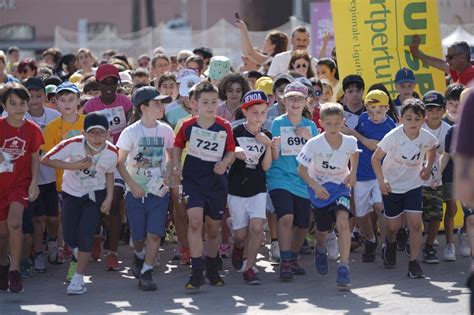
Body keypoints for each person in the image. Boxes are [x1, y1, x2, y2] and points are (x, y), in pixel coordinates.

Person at [41, 112, 116, 295]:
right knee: (69, 237)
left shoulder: (111, 151)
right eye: (92, 133)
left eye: (101, 133)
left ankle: (78, 278)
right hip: (71, 193)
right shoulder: (72, 144)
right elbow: (45, 158)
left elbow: (109, 173)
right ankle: (78, 253)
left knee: (85, 236)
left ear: (108, 133)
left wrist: (109, 197)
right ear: (83, 133)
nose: (97, 137)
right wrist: (74, 166)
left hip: (94, 194)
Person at [173, 81, 235, 290]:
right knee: (195, 222)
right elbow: (177, 145)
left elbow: (231, 151)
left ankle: (211, 267)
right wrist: (175, 166)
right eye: (205, 102)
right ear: (195, 103)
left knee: (213, 229)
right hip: (192, 181)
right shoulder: (187, 125)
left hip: (216, 183)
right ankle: (196, 271)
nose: (210, 106)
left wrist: (225, 162)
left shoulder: (224, 125)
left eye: (214, 102)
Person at [372, 98, 438, 278]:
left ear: (423, 120)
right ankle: (390, 243)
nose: (413, 123)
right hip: (392, 186)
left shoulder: (426, 136)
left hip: (413, 185)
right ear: (401, 119)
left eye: (417, 119)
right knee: (392, 226)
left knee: (416, 224)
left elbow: (432, 148)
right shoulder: (393, 136)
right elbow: (375, 159)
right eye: (408, 118)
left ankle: (413, 263)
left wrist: (427, 166)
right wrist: (382, 180)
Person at [116, 86, 174, 291]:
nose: (162, 106)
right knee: (138, 236)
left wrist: (170, 172)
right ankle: (139, 256)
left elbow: (171, 156)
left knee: (155, 234)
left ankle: (147, 271)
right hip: (135, 192)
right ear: (144, 107)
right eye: (157, 103)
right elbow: (120, 162)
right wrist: (131, 186)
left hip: (158, 191)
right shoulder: (130, 132)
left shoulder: (166, 130)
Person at [297, 102, 359, 289]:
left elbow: (355, 154)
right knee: (322, 230)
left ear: (343, 123)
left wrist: (353, 173)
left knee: (342, 223)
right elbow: (301, 170)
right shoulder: (314, 144)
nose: (333, 127)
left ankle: (344, 267)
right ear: (321, 123)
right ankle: (321, 247)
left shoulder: (349, 141)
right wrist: (315, 185)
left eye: (337, 123)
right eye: (329, 123)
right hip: (320, 189)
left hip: (340, 187)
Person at [83, 63, 133, 269]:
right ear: (98, 84)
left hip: (118, 159)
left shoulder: (125, 102)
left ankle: (112, 252)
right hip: (95, 160)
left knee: (114, 202)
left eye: (113, 82)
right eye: (105, 82)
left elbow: (131, 125)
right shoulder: (89, 106)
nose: (110, 86)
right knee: (95, 203)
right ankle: (96, 234)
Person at [266, 82, 318, 281]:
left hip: (302, 178)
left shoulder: (311, 125)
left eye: (299, 98)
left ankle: (293, 257)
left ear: (306, 102)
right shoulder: (278, 123)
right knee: (286, 216)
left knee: (303, 224)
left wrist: (309, 137)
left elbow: (317, 156)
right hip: (279, 176)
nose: (295, 102)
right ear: (283, 100)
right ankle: (285, 260)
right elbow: (276, 156)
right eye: (291, 98)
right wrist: (274, 145)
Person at [0, 83, 43, 293]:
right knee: (2, 234)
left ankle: (15, 271)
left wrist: (34, 182)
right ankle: (3, 264)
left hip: (19, 185)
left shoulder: (32, 129)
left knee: (15, 224)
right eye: (13, 103)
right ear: (4, 106)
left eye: (22, 103)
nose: (18, 108)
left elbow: (36, 157)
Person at [344, 90, 396, 263]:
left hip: (381, 175)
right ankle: (370, 240)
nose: (374, 115)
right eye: (371, 109)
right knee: (361, 214)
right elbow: (349, 135)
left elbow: (374, 146)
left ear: (387, 108)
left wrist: (355, 134)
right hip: (361, 174)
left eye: (379, 111)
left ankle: (388, 244)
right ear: (366, 107)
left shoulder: (390, 126)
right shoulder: (362, 119)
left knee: (381, 209)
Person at [228, 90, 273, 285]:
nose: (259, 117)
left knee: (256, 228)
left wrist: (269, 146)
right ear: (245, 112)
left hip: (258, 187)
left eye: (263, 113)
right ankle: (238, 247)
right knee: (240, 234)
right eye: (254, 112)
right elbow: (227, 152)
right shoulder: (235, 131)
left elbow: (265, 166)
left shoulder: (267, 134)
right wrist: (234, 150)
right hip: (236, 187)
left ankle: (249, 268)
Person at [420, 91, 451, 264]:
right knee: (415, 215)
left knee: (436, 214)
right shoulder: (417, 126)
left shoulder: (447, 130)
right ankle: (412, 241)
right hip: (414, 179)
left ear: (444, 110)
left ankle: (429, 246)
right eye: (429, 109)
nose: (433, 113)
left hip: (435, 179)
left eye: (438, 109)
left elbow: (446, 155)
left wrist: (437, 175)